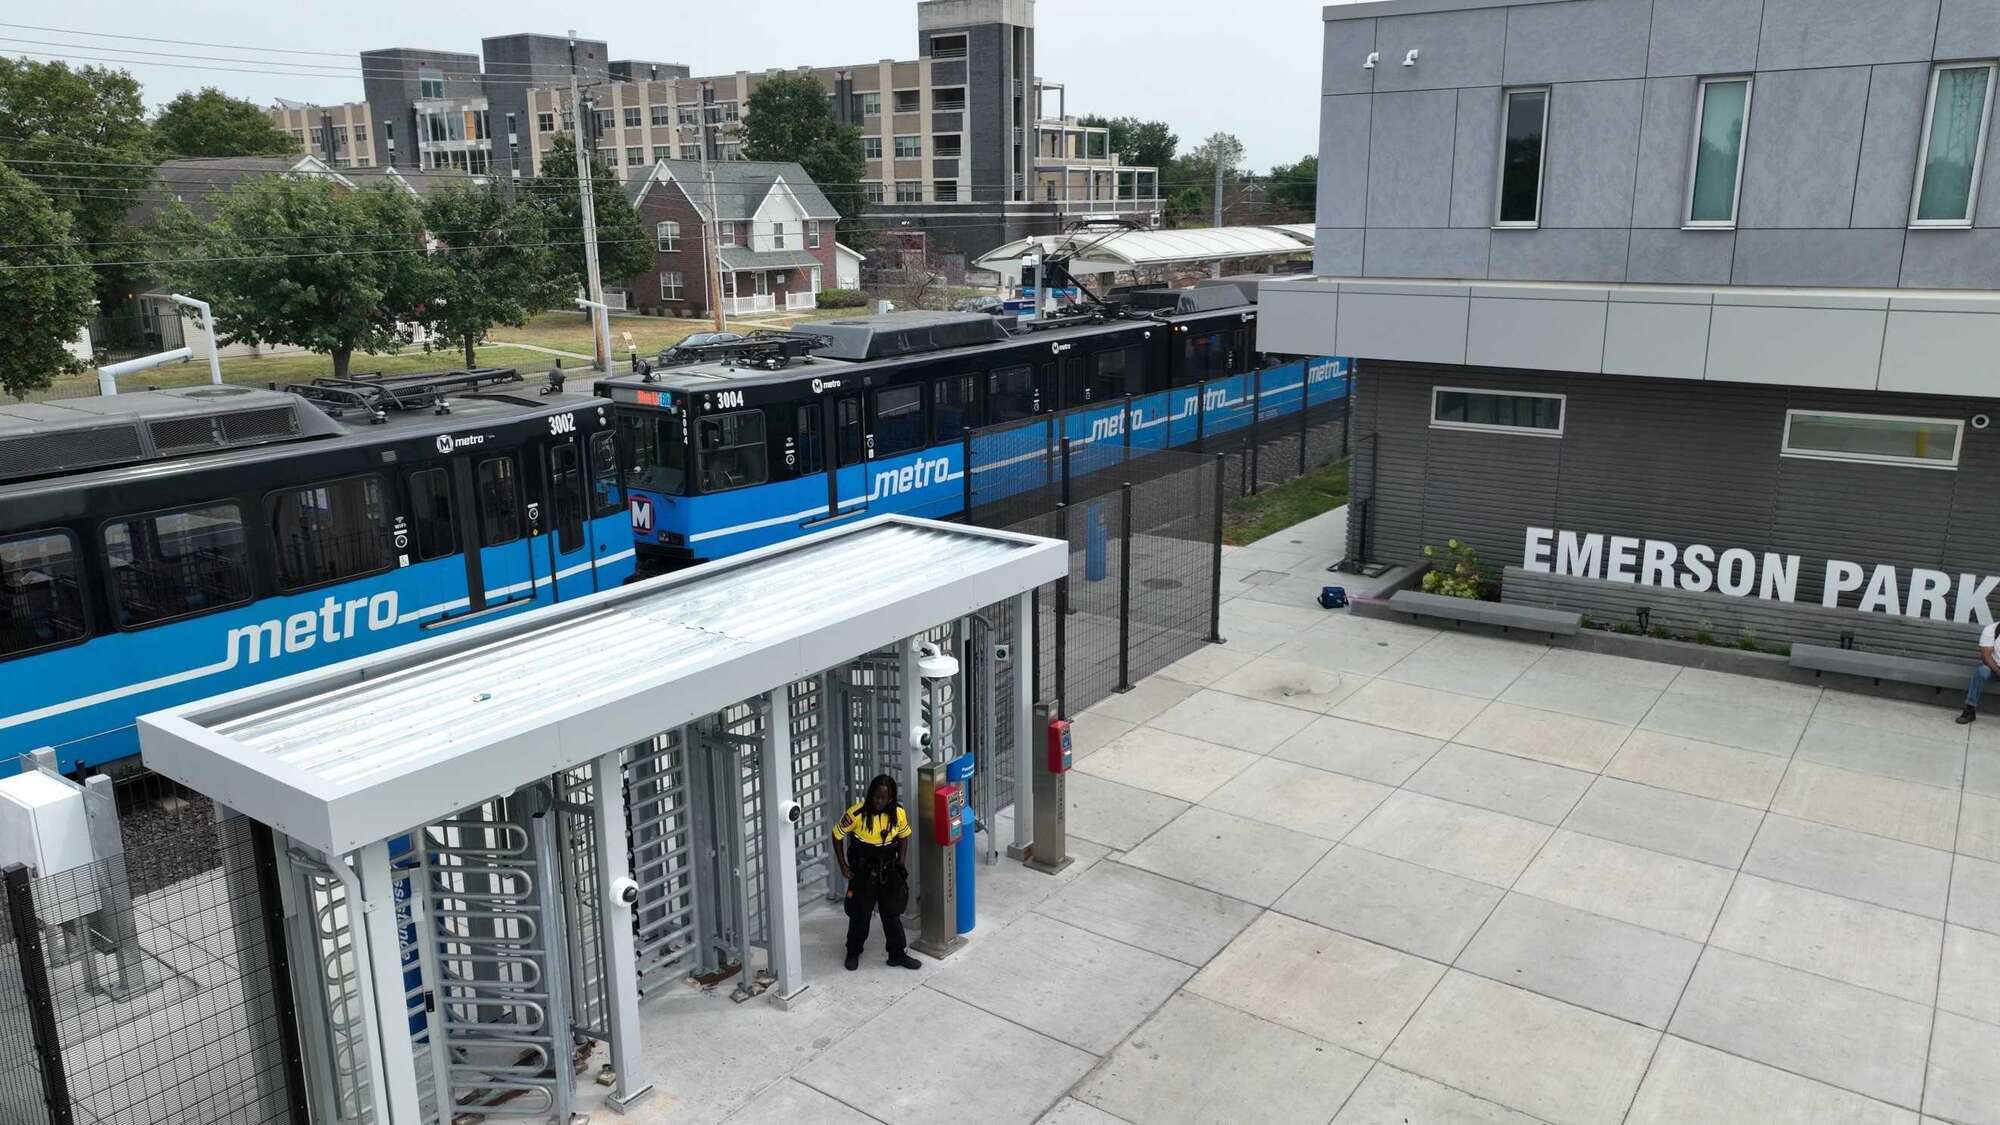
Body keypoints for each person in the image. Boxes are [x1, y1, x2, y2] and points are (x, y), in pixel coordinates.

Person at [832, 773, 921, 971]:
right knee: (860, 915)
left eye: (884, 798)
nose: (879, 801)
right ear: (871, 794)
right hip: (863, 874)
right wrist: (843, 865)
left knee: (892, 915)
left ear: (891, 798)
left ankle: (897, 954)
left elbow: (904, 836)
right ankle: (853, 951)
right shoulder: (856, 814)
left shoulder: (898, 813)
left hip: (888, 872)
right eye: (876, 797)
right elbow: (836, 835)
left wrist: (901, 863)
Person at [1958, 620, 2000, 723]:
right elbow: (1986, 656)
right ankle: (1970, 709)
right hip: (1994, 669)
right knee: (1981, 671)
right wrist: (1998, 670)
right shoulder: (1992, 630)